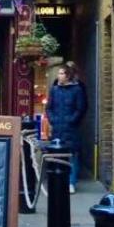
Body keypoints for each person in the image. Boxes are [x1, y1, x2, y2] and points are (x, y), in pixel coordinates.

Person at [46, 64, 87, 194]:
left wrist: (71, 120)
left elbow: (80, 108)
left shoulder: (77, 90)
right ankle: (58, 182)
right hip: (57, 128)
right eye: (58, 73)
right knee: (57, 155)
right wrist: (53, 120)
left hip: (71, 129)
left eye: (61, 73)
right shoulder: (54, 90)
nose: (59, 76)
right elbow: (49, 108)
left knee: (72, 155)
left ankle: (71, 182)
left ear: (68, 76)